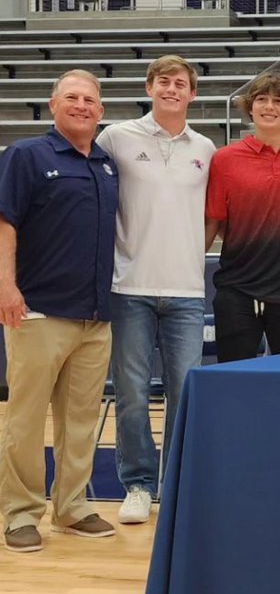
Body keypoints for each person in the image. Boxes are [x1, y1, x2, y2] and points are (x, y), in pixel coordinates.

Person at [0, 70, 119, 552]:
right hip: (38, 311)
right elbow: (5, 224)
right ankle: (19, 512)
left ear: (101, 112)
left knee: (81, 420)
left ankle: (71, 507)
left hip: (95, 315)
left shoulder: (107, 164)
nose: (82, 105)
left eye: (90, 99)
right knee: (26, 420)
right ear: (53, 105)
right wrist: (6, 287)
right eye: (71, 97)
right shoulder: (27, 155)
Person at [95, 55, 215, 524]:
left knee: (188, 392)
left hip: (186, 291)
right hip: (129, 288)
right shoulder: (117, 138)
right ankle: (139, 485)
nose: (171, 89)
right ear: (150, 88)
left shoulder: (205, 147)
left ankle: (181, 485)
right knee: (131, 392)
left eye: (180, 83)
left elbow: (210, 217)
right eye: (163, 81)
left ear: (192, 93)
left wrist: (187, 251)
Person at [205, 72, 280, 362]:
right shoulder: (225, 159)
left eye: (279, 101)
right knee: (233, 382)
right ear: (250, 107)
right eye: (261, 99)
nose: (269, 107)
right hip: (237, 290)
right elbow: (217, 220)